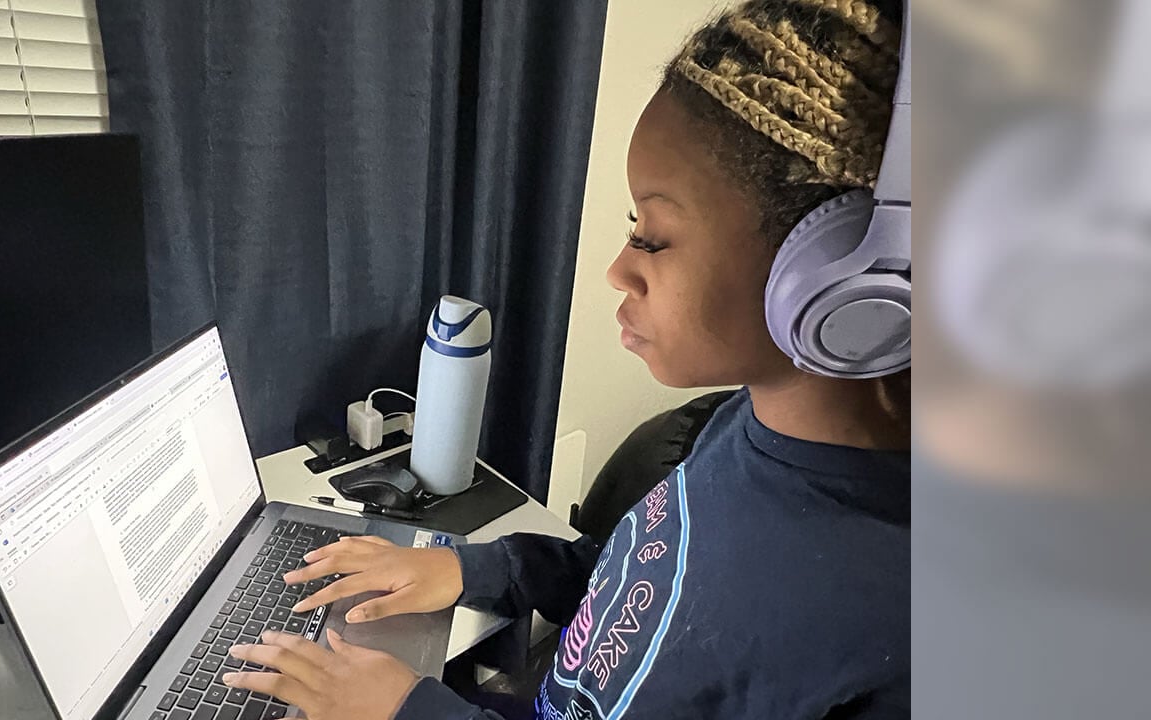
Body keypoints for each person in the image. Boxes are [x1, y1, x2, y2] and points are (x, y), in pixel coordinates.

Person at [224, 0, 910, 717]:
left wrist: (412, 713)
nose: (619, 269)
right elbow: (637, 581)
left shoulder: (902, 635)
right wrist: (470, 567)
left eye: (652, 236)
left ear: (837, 275)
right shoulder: (746, 425)